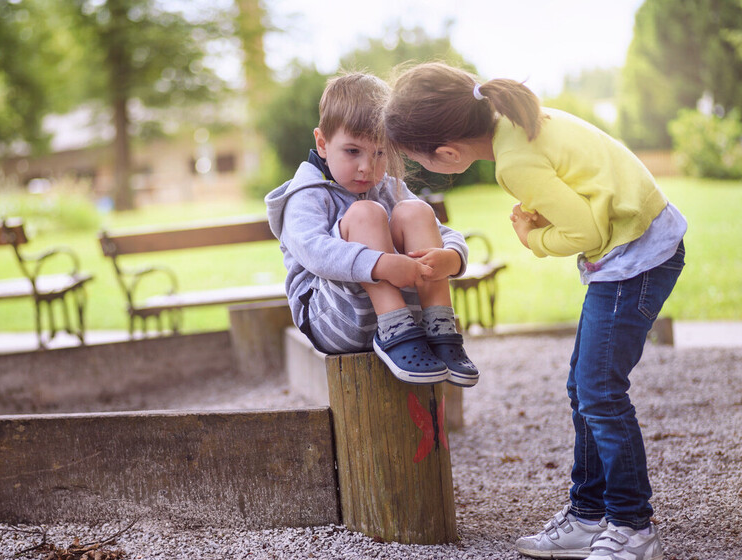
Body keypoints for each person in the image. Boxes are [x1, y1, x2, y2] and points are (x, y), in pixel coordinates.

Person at [383, 62, 686, 560]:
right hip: (638, 242)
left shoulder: (512, 162)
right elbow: (586, 189)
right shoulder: (518, 120)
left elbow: (586, 234)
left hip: (637, 257)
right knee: (585, 387)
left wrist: (533, 238)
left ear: (448, 153)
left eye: (419, 161)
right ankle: (588, 516)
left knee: (600, 391)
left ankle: (633, 526)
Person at [265, 72, 479, 387]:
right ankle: (395, 330)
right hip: (335, 319)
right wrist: (379, 264)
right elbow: (314, 251)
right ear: (323, 144)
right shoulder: (306, 195)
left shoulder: (389, 187)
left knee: (416, 210)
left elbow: (440, 230)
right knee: (366, 213)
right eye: (353, 151)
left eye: (379, 153)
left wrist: (452, 256)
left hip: (411, 322)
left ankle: (440, 327)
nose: (367, 166)